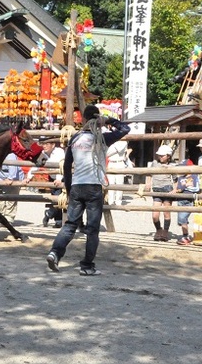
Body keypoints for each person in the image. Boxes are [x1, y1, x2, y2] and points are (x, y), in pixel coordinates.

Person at [46, 105, 130, 275]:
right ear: (98, 120)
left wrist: (69, 189)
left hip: (77, 185)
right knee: (92, 229)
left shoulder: (75, 139)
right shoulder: (102, 138)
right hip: (93, 186)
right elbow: (125, 128)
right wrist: (108, 120)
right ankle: (86, 266)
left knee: (70, 224)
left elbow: (68, 165)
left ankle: (55, 253)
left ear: (83, 119)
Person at [26, 141, 65, 228]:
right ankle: (58, 221)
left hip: (62, 177)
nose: (44, 146)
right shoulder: (43, 153)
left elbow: (61, 166)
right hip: (52, 177)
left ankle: (49, 214)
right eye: (43, 144)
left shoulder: (59, 152)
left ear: (53, 144)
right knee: (55, 198)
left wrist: (59, 179)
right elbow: (36, 165)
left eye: (47, 144)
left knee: (60, 199)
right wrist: (29, 176)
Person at [145, 144, 175, 241]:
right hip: (156, 189)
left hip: (167, 188)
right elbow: (149, 174)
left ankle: (165, 232)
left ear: (168, 156)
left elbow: (175, 179)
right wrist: (148, 183)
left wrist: (175, 190)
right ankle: (158, 229)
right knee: (155, 215)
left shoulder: (172, 165)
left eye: (162, 156)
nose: (160, 157)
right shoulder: (154, 163)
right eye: (159, 155)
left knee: (166, 212)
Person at [0, 152, 24, 226]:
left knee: (11, 199)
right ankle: (0, 218)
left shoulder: (10, 155)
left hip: (14, 177)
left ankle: (9, 219)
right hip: (0, 176)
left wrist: (10, 178)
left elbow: (13, 167)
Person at [175, 161, 200, 246]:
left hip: (188, 200)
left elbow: (195, 188)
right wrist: (185, 185)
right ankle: (185, 235)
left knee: (183, 218)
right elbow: (179, 189)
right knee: (181, 220)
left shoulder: (195, 176)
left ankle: (186, 237)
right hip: (180, 200)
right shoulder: (180, 178)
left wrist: (184, 187)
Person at [105, 135, 129, 206]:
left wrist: (112, 145)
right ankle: (110, 201)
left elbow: (118, 149)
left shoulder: (124, 141)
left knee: (119, 183)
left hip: (119, 162)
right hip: (111, 163)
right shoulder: (112, 140)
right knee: (111, 184)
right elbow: (107, 153)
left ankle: (118, 201)